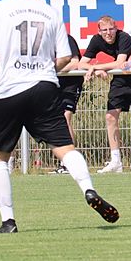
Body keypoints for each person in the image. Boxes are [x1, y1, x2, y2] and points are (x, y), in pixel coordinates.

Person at [0, 0, 118, 233]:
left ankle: (8, 221)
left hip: (9, 88)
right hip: (43, 86)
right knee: (65, 148)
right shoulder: (50, 12)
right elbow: (65, 57)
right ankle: (88, 189)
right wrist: (43, 68)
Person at [80, 15, 131, 173]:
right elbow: (81, 63)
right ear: (99, 31)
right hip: (120, 79)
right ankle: (116, 161)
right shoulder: (96, 40)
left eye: (111, 29)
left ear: (116, 28)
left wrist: (96, 67)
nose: (108, 33)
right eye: (104, 30)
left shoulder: (124, 38)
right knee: (110, 116)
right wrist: (96, 70)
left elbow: (120, 63)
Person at [53, 33, 85, 173]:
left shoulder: (66, 39)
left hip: (70, 85)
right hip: (52, 84)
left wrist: (53, 69)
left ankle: (68, 164)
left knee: (65, 118)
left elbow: (75, 63)